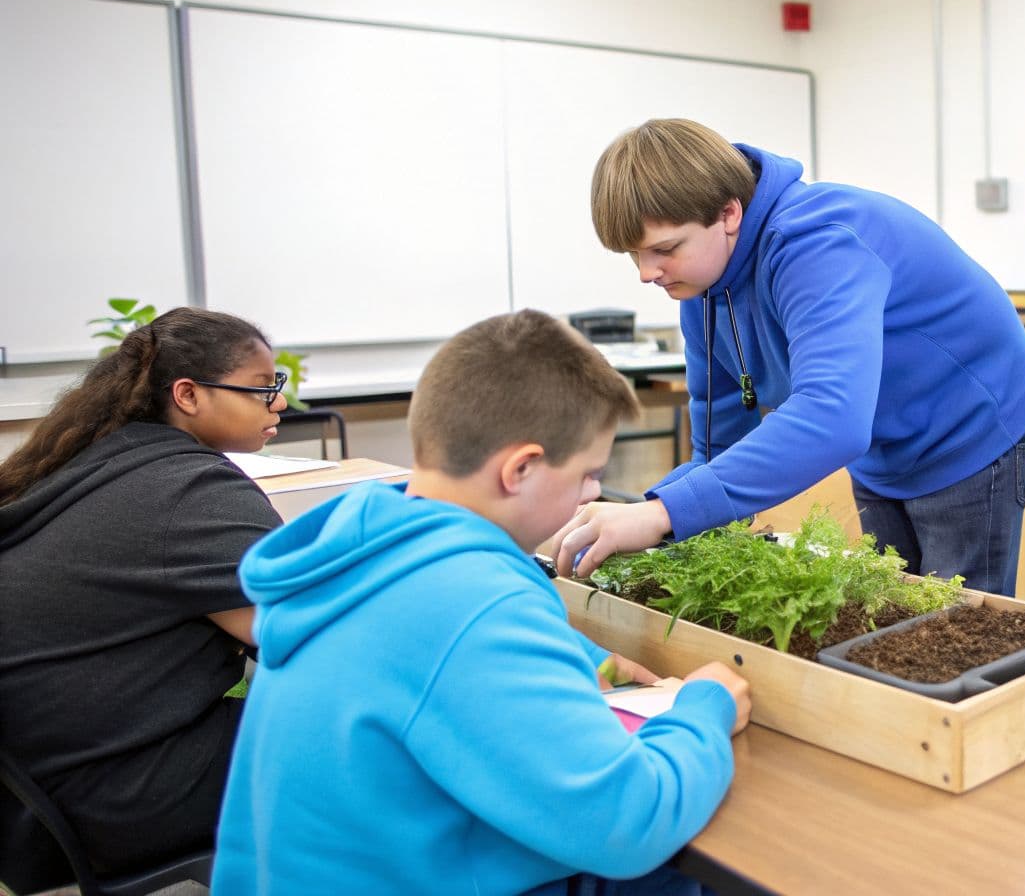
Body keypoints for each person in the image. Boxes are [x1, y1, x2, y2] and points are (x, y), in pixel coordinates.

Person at [211, 309, 751, 895]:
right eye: (588, 476)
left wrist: (579, 657)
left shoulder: (370, 551)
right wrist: (706, 706)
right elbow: (630, 823)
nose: (594, 495)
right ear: (520, 468)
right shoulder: (470, 603)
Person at [553, 119, 1025, 596]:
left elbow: (833, 417)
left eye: (663, 248)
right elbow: (717, 452)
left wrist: (660, 515)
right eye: (633, 255)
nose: (646, 273)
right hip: (879, 442)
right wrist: (634, 518)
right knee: (894, 604)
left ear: (728, 214)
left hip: (969, 424)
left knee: (958, 625)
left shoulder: (816, 242)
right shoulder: (701, 290)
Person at [0, 308, 285, 877]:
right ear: (188, 394)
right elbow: (304, 635)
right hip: (115, 799)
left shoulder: (97, 460)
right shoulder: (190, 490)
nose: (279, 403)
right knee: (357, 739)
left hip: (35, 803)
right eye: (262, 388)